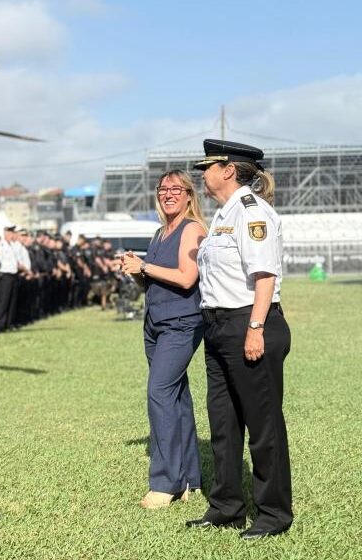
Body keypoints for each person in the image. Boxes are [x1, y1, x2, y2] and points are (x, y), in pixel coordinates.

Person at [186, 139, 292, 540]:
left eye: (208, 168)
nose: (203, 175)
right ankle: (226, 507)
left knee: (263, 425)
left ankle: (274, 514)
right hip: (219, 326)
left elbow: (264, 276)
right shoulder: (223, 215)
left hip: (248, 323)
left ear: (228, 170)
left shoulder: (251, 213)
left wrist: (255, 328)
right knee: (224, 423)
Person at [121, 170, 207, 509]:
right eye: (163, 189)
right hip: (155, 323)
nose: (168, 194)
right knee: (176, 397)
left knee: (158, 392)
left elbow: (187, 278)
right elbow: (154, 281)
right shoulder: (160, 233)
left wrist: (144, 266)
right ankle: (189, 479)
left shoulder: (192, 229)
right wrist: (135, 271)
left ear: (188, 195)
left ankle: (166, 482)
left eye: (175, 189)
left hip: (181, 324)